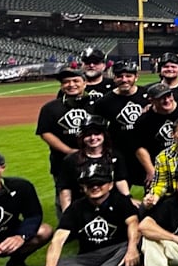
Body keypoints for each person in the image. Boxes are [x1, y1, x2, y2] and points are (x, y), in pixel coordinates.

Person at [41, 163, 140, 266]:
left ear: (110, 185)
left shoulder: (121, 201)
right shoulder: (76, 208)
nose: (94, 187)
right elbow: (58, 239)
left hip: (117, 251)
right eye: (89, 183)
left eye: (100, 182)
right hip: (90, 257)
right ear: (82, 187)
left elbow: (133, 224)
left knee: (135, 244)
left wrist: (132, 250)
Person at [36, 66, 99, 216]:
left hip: (96, 159)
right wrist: (69, 152)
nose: (71, 85)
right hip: (62, 161)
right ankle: (67, 226)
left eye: (75, 80)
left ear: (85, 83)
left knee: (96, 191)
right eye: (66, 82)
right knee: (64, 193)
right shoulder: (50, 108)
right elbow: (45, 133)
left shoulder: (97, 104)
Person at [93, 61, 150, 190]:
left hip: (147, 153)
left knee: (153, 193)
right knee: (120, 194)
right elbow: (98, 129)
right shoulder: (104, 102)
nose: (124, 80)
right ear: (114, 78)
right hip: (119, 154)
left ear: (136, 77)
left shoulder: (148, 95)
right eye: (120, 76)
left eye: (128, 76)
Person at [57, 115, 130, 213]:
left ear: (104, 135)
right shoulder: (71, 160)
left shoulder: (115, 156)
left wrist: (128, 201)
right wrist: (67, 213)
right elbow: (65, 189)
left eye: (97, 134)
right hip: (82, 207)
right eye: (88, 135)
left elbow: (120, 181)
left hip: (112, 205)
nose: (93, 138)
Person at [134, 83, 178, 188]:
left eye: (168, 96)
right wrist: (150, 170)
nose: (167, 101)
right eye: (161, 98)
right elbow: (140, 147)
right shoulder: (144, 120)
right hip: (160, 165)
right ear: (151, 100)